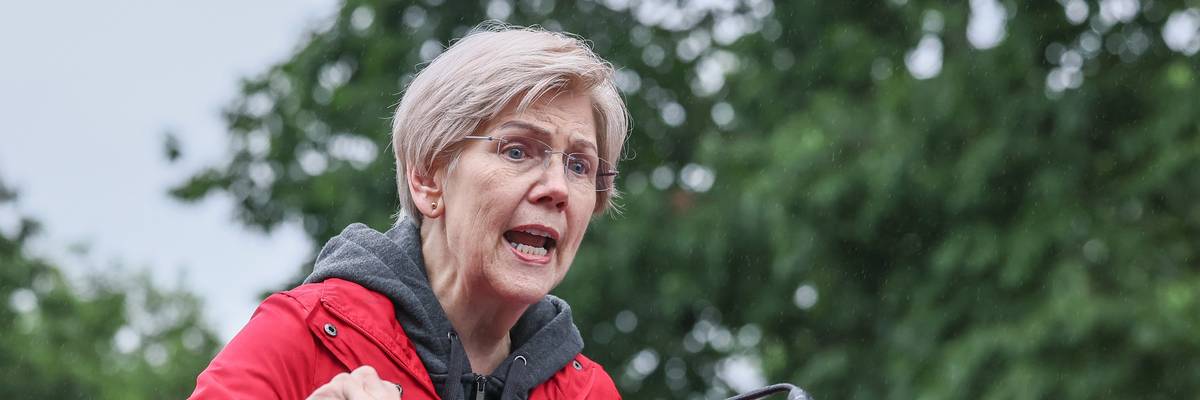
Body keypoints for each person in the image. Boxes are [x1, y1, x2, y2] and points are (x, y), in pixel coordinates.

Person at [189, 23, 628, 400]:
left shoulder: (589, 391)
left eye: (578, 165)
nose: (557, 188)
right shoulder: (304, 336)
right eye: (517, 151)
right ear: (427, 178)